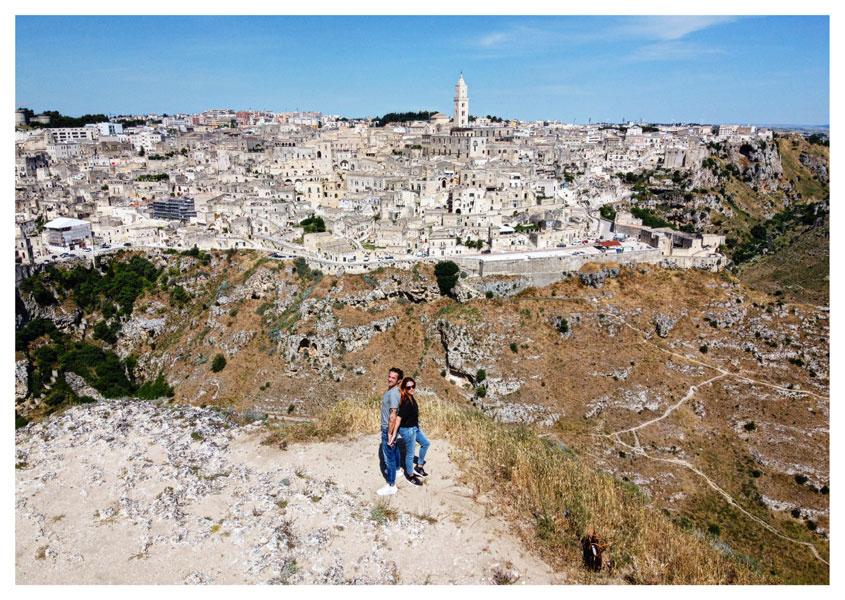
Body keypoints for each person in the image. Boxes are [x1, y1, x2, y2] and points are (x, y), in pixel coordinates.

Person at [392, 376, 430, 486]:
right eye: (408, 387)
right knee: (410, 454)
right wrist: (394, 434)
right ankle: (410, 475)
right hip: (408, 430)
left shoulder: (411, 397)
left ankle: (419, 467)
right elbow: (398, 419)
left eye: (413, 386)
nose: (412, 389)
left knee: (426, 443)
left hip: (415, 427)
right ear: (404, 388)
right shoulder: (405, 402)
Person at [376, 367, 403, 496]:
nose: (390, 379)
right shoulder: (394, 391)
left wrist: (389, 432)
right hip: (391, 428)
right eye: (389, 376)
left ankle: (391, 485)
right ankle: (397, 470)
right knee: (395, 448)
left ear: (398, 381)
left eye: (393, 378)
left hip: (388, 428)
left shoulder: (393, 393)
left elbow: (393, 414)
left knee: (388, 457)